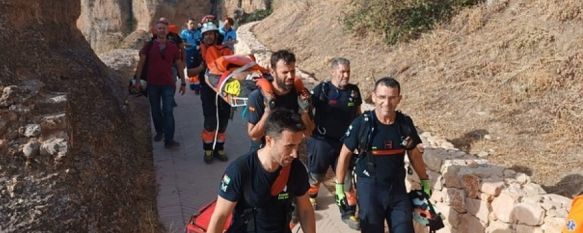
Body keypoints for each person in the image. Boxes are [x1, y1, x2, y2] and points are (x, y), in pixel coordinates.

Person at [335, 77, 431, 233]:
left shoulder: (404, 124)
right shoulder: (362, 124)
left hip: (397, 190)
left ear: (399, 99)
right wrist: (339, 187)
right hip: (369, 190)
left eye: (392, 98)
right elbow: (344, 155)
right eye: (382, 97)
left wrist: (424, 180)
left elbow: (414, 154)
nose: (387, 103)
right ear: (373, 97)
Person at [207, 109, 316, 233]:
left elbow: (305, 209)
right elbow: (220, 216)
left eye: (298, 145)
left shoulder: (297, 169)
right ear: (269, 140)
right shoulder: (240, 170)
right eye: (289, 146)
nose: (295, 154)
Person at [306, 57, 361, 229]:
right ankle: (311, 198)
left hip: (345, 144)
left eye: (348, 71)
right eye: (342, 71)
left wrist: (360, 137)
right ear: (333, 72)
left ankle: (349, 212)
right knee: (316, 175)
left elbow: (358, 114)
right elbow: (307, 111)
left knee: (345, 180)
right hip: (322, 141)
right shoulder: (322, 89)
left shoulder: (353, 91)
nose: (346, 75)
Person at [246, 50, 314, 152]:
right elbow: (254, 136)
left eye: (292, 71)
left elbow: (309, 133)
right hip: (264, 154)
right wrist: (268, 111)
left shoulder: (300, 95)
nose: (290, 76)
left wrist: (303, 112)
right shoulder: (258, 97)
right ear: (273, 72)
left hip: (289, 154)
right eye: (285, 72)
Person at [134, 20, 186, 149]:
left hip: (168, 84)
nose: (162, 30)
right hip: (152, 84)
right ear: (155, 31)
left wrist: (184, 83)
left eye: (164, 28)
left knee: (168, 111)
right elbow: (141, 63)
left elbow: (179, 65)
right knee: (156, 110)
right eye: (159, 28)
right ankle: (159, 132)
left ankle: (169, 140)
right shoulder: (149, 45)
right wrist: (137, 80)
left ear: (168, 31)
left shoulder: (173, 47)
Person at [198, 21, 233, 163]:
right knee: (210, 121)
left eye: (211, 34)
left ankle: (219, 148)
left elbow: (233, 66)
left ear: (216, 35)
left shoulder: (225, 50)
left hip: (224, 89)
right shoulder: (198, 51)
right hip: (207, 90)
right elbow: (190, 71)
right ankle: (208, 149)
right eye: (206, 34)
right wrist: (202, 66)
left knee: (224, 120)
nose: (208, 37)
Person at [180, 17, 203, 94]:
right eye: (191, 23)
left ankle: (197, 86)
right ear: (187, 24)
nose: (192, 25)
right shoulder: (184, 33)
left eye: (193, 23)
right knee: (190, 69)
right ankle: (192, 84)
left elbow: (200, 41)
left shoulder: (198, 32)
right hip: (189, 52)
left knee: (198, 68)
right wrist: (193, 45)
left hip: (197, 52)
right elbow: (183, 43)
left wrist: (199, 45)